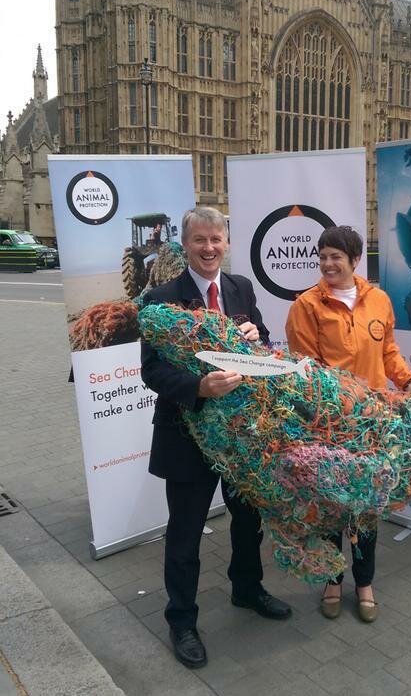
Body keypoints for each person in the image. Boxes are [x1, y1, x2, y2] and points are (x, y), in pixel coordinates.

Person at [141, 206, 291, 670]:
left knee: (248, 520)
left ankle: (247, 588)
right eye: (199, 240)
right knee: (185, 533)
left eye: (216, 239)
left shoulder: (240, 287)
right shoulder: (161, 298)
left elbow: (262, 342)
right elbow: (152, 370)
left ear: (227, 242)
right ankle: (182, 619)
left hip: (242, 435)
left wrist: (255, 336)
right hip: (188, 435)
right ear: (184, 245)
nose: (209, 248)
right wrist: (199, 388)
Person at [285, 225, 411, 624]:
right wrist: (338, 409)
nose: (327, 263)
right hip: (330, 427)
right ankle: (331, 580)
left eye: (335, 257)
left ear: (354, 260)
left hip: (373, 425)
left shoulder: (378, 300)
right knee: (330, 507)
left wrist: (409, 382)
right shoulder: (307, 306)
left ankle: (363, 583)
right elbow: (305, 371)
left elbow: (388, 351)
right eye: (322, 255)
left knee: (365, 508)